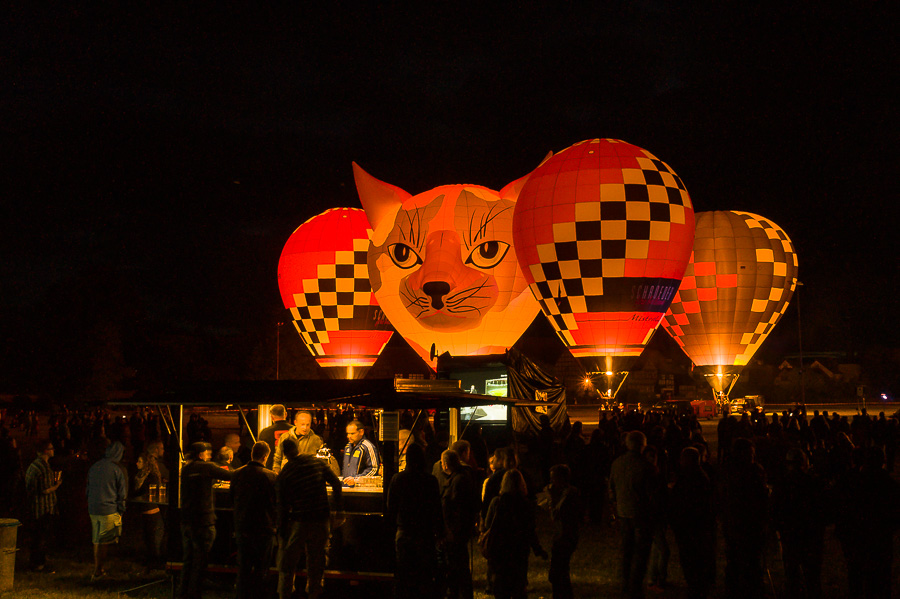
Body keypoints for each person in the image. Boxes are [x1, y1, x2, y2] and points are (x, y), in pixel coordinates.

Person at [276, 437, 343, 599]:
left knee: (289, 561)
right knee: (316, 558)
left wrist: (282, 529)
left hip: (300, 520)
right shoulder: (316, 462)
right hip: (321, 518)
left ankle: (285, 593)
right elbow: (336, 483)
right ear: (297, 448)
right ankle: (314, 592)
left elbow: (283, 505)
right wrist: (338, 509)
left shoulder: (286, 472)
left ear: (284, 453)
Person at [386, 443, 443, 599]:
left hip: (404, 532)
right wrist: (440, 532)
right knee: (424, 575)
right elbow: (436, 508)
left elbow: (391, 507)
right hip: (425, 533)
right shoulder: (430, 480)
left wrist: (391, 530)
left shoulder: (398, 479)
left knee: (404, 573)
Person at [179, 441, 233, 599]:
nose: (210, 456)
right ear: (201, 454)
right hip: (203, 521)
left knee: (188, 560)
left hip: (187, 520)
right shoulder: (206, 467)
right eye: (208, 453)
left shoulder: (186, 469)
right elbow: (230, 475)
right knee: (200, 561)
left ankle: (183, 593)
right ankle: (194, 594)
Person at [771, 448, 826, 599]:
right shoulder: (814, 483)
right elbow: (824, 510)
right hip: (811, 537)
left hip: (790, 536)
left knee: (792, 576)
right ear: (804, 464)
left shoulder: (782, 484)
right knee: (812, 578)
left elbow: (774, 511)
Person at [484, 469, 547, 599]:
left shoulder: (497, 502)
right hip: (519, 551)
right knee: (518, 587)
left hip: (500, 551)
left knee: (501, 587)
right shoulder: (525, 504)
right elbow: (530, 530)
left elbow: (488, 524)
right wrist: (538, 549)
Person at [608, 430, 656, 599]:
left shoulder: (617, 463)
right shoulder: (646, 466)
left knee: (626, 549)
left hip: (623, 512)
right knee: (641, 551)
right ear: (643, 445)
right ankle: (635, 586)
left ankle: (625, 582)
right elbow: (653, 493)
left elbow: (612, 488)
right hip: (640, 513)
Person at [720, 437, 768, 599]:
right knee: (751, 562)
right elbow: (761, 498)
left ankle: (734, 590)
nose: (753, 456)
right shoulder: (753, 471)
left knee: (734, 561)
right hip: (749, 525)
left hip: (733, 524)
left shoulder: (727, 470)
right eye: (751, 453)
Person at [231, 441, 277, 599]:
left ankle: (241, 595)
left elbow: (232, 498)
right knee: (262, 567)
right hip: (264, 527)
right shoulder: (271, 476)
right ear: (265, 457)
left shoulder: (237, 474)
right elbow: (276, 502)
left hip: (243, 526)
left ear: (252, 454)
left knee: (243, 566)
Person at [670, 447, 716, 599]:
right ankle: (698, 584)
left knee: (691, 558)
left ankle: (696, 586)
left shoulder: (689, 477)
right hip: (696, 525)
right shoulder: (700, 475)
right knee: (696, 557)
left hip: (690, 526)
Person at [439, 449, 479, 599]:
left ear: (446, 464)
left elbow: (454, 507)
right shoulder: (462, 477)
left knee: (458, 565)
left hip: (456, 531)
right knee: (458, 565)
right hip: (458, 530)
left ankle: (459, 593)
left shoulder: (457, 481)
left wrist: (450, 530)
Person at [540, 463, 584, 599]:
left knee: (558, 573)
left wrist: (550, 498)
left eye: (554, 478)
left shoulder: (569, 494)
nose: (551, 482)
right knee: (559, 572)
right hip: (563, 536)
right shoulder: (568, 493)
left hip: (565, 537)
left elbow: (556, 514)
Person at [87, 440, 128, 582]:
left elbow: (88, 488)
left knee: (96, 539)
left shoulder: (94, 467)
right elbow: (122, 493)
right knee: (104, 541)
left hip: (93, 508)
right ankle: (98, 571)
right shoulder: (117, 469)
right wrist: (121, 510)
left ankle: (98, 568)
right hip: (108, 509)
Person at [24, 439, 61, 572]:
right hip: (43, 508)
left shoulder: (34, 465)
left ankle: (35, 562)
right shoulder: (44, 468)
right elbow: (45, 490)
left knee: (36, 537)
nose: (53, 450)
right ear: (46, 451)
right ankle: (39, 564)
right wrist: (56, 486)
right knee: (41, 538)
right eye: (51, 448)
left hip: (34, 507)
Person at [132, 441, 167, 570]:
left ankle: (153, 561)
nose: (136, 463)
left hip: (148, 511)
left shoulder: (145, 477)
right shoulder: (144, 476)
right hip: (148, 510)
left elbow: (139, 493)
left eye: (139, 462)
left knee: (152, 538)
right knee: (152, 538)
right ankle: (153, 561)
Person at [341, 419, 380, 486]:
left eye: (352, 433)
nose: (349, 436)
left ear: (361, 432)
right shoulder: (347, 447)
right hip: (346, 487)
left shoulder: (368, 446)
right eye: (348, 433)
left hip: (360, 487)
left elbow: (374, 469)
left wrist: (356, 480)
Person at [259, 405, 293, 470]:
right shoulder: (295, 430)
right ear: (286, 414)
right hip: (291, 469)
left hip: (271, 469)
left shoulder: (265, 432)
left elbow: (261, 453)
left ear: (272, 417)